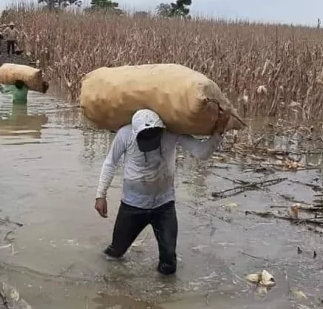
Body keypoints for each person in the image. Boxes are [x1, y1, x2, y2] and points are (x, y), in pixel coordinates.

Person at [94, 109, 229, 275]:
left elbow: (201, 153)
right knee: (115, 253)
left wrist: (219, 132)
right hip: (132, 206)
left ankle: (164, 296)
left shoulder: (172, 133)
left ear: (161, 129)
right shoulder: (126, 134)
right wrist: (101, 195)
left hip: (164, 206)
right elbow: (110, 163)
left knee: (169, 263)